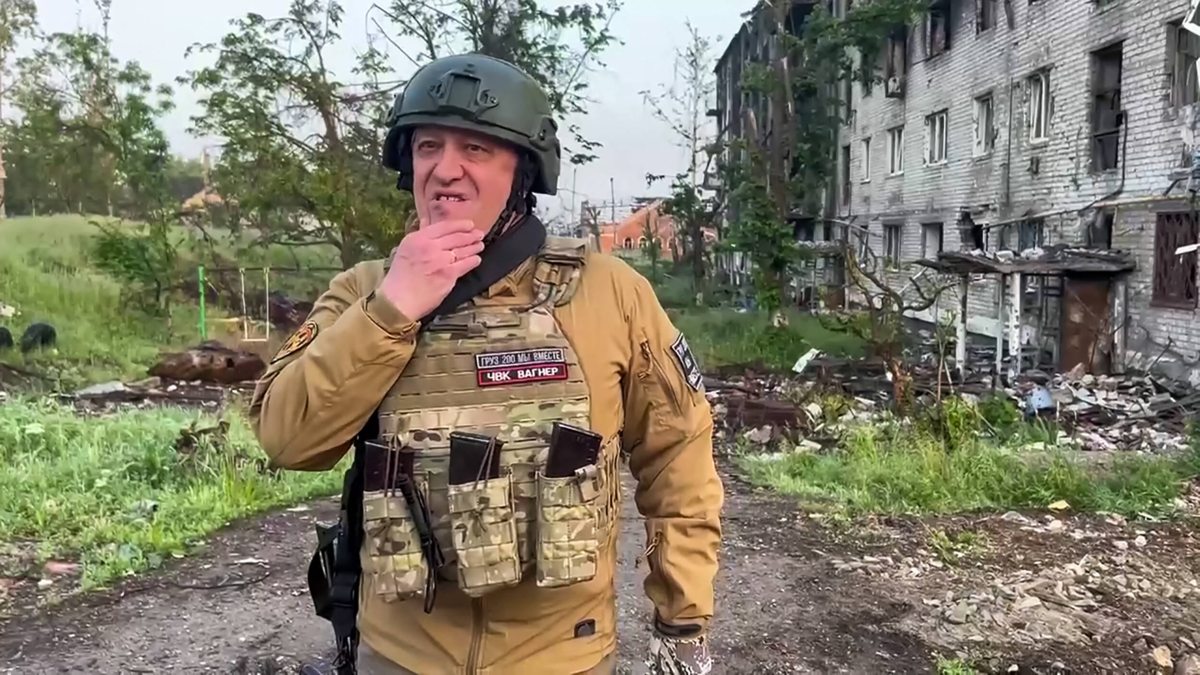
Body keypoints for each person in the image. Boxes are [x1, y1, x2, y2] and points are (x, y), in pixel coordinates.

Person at [249, 52, 723, 675]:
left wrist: (683, 622)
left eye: (475, 148)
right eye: (428, 146)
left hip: (560, 657)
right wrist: (392, 309)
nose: (445, 169)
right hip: (401, 655)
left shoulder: (609, 294)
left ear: (522, 169)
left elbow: (678, 456)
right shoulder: (363, 291)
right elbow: (288, 440)